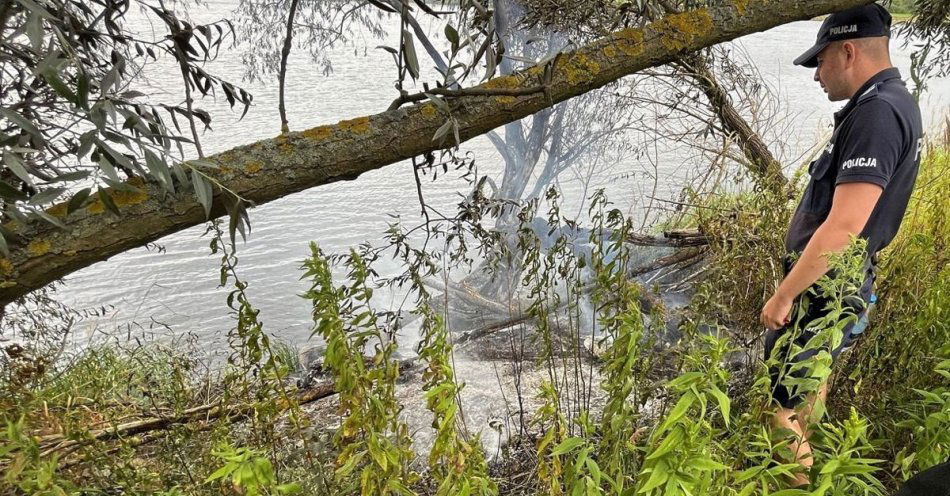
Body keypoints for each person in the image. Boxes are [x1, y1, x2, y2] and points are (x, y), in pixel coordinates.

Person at [760, 3, 923, 488]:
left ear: (848, 51)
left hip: (826, 287)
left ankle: (794, 484)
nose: (816, 75)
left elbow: (844, 226)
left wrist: (784, 294)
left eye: (820, 61)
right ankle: (810, 467)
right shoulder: (892, 102)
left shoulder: (877, 113)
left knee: (781, 411)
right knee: (810, 387)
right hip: (841, 284)